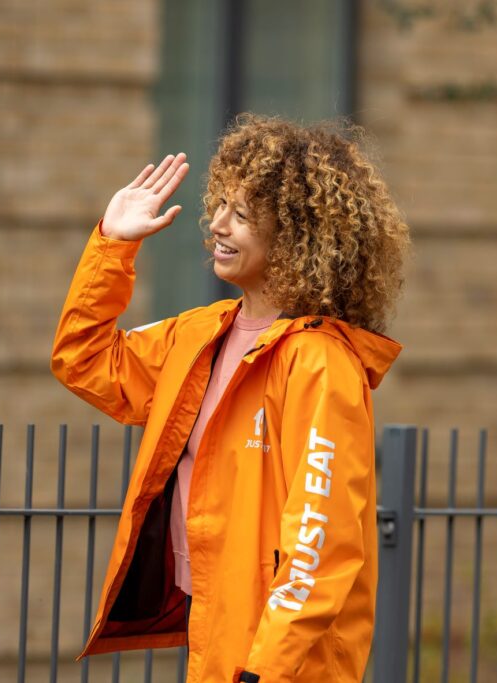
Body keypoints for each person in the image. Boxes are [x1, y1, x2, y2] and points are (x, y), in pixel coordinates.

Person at [51, 114, 410, 682]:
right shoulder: (201, 335)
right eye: (218, 204)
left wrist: (263, 671)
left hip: (281, 662)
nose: (215, 224)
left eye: (240, 214)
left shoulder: (319, 361)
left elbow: (322, 542)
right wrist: (112, 246)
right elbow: (84, 360)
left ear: (296, 238)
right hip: (217, 630)